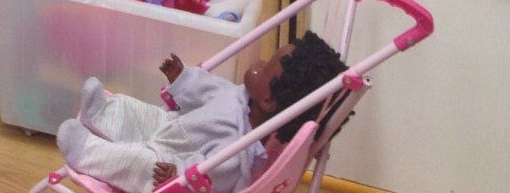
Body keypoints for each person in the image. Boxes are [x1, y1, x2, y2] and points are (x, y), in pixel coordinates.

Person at [56, 33, 348, 191]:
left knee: (138, 165)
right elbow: (206, 89)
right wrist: (182, 78)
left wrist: (178, 176)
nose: (257, 63)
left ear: (269, 100)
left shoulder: (239, 148)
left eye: (265, 67)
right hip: (172, 126)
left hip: (173, 162)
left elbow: (214, 175)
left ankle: (87, 152)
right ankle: (102, 111)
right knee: (139, 114)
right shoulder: (239, 94)